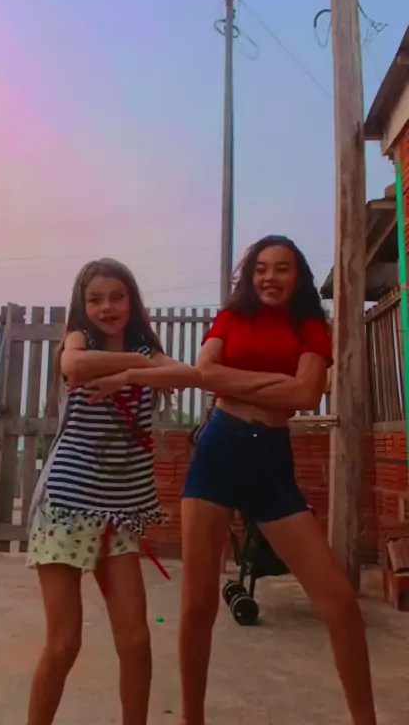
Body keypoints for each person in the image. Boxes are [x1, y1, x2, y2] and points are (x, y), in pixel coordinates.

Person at [179, 236, 377, 725]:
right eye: (261, 268)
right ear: (250, 276)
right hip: (218, 451)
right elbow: (204, 373)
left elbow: (308, 393)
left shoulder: (310, 326)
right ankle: (190, 718)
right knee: (198, 605)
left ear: (298, 276)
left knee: (341, 604)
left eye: (282, 268)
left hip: (270, 460)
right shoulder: (231, 317)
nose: (270, 277)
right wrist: (275, 385)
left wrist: (235, 380)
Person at [26, 258, 201, 725]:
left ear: (132, 301)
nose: (107, 307)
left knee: (137, 641)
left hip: (121, 512)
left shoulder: (146, 351)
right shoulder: (80, 340)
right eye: (95, 299)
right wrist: (137, 364)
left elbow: (189, 376)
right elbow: (74, 365)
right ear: (82, 306)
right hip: (66, 507)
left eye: (117, 297)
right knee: (64, 643)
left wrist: (130, 373)